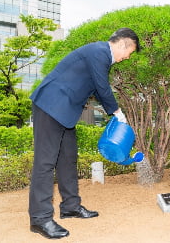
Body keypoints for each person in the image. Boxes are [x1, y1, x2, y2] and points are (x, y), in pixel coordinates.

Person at [28, 28, 140, 239]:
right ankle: (40, 219)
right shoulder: (99, 52)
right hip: (50, 105)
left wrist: (113, 114)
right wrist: (117, 112)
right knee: (45, 163)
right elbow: (102, 86)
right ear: (124, 44)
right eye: (129, 52)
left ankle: (70, 206)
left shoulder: (99, 56)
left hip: (64, 112)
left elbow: (97, 88)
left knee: (68, 159)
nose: (127, 58)